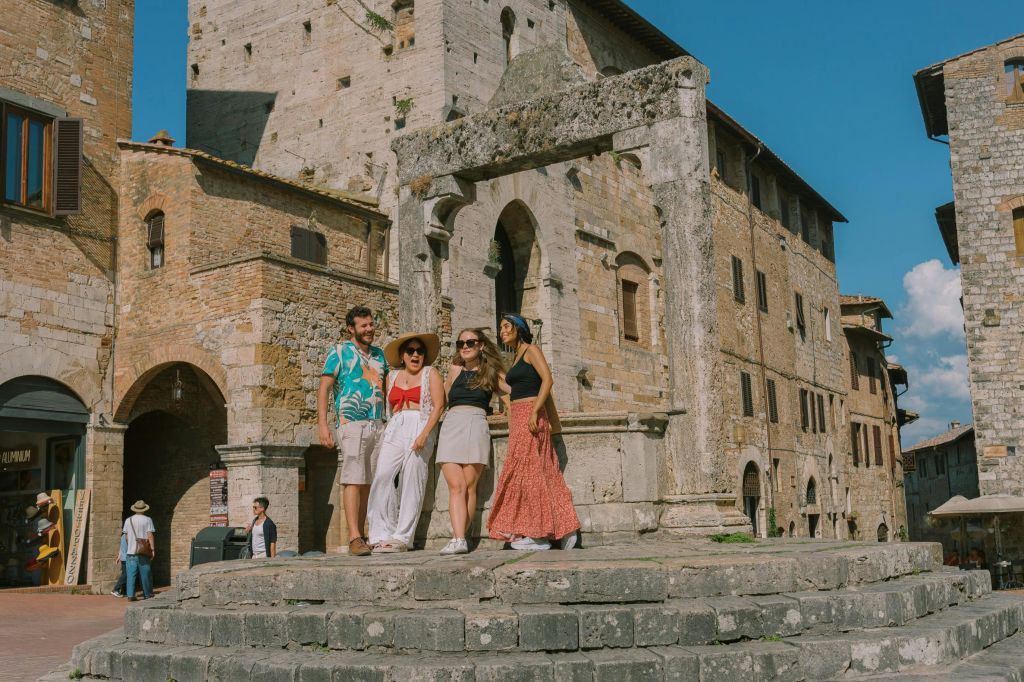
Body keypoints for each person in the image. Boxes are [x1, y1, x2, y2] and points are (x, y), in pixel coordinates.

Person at [487, 314, 580, 550]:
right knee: (538, 472)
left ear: (518, 328)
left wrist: (535, 411)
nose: (502, 331)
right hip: (519, 415)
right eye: (500, 327)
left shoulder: (531, 350)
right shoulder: (517, 356)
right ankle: (564, 528)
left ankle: (538, 536)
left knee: (532, 473)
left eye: (506, 326)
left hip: (530, 413)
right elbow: (515, 388)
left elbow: (547, 380)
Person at [318, 305, 388, 557]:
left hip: (377, 422)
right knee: (353, 479)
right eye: (364, 325)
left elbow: (384, 388)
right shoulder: (339, 351)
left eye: (371, 324)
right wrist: (323, 424)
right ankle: (353, 537)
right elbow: (324, 388)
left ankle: (363, 534)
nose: (369, 329)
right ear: (351, 328)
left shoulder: (380, 355)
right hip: (351, 422)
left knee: (368, 480)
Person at [368, 332, 445, 553]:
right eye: (410, 351)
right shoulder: (392, 376)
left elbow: (439, 406)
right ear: (402, 355)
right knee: (383, 475)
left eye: (420, 351)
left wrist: (424, 434)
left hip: (420, 423)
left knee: (412, 477)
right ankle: (382, 533)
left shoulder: (430, 373)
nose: (415, 355)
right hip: (396, 425)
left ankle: (403, 537)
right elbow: (389, 408)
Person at [436, 328, 505, 555]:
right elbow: (442, 401)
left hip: (476, 423)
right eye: (461, 343)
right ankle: (459, 538)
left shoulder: (491, 372)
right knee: (456, 486)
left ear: (481, 345)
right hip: (452, 424)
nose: (465, 347)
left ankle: (459, 538)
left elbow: (512, 392)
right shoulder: (454, 370)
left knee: (469, 487)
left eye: (470, 342)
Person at [122, 500, 155, 601]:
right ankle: (147, 594)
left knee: (131, 575)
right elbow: (150, 535)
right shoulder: (148, 520)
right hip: (143, 552)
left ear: (135, 509)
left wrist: (131, 545)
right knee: (145, 574)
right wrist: (152, 549)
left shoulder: (128, 520)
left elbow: (126, 537)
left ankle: (130, 595)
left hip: (130, 552)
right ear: (144, 509)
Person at [111, 531, 128, 597]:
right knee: (126, 575)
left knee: (125, 575)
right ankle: (116, 589)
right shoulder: (128, 536)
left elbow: (121, 547)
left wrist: (118, 557)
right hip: (127, 558)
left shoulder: (123, 536)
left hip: (123, 558)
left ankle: (124, 592)